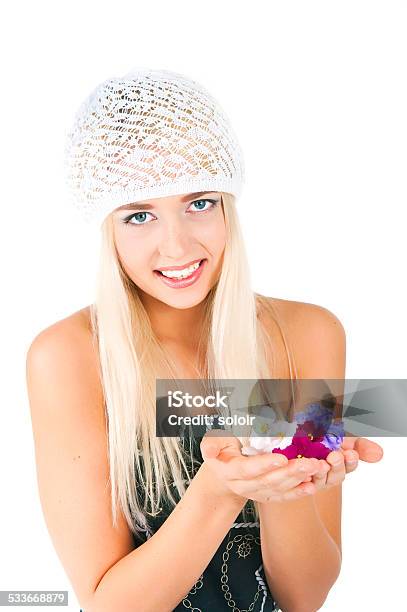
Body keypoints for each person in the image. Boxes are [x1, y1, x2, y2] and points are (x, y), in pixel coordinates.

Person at [26, 67, 383, 612]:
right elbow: (111, 605)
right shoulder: (68, 358)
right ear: (105, 226)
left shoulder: (308, 335)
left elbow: (304, 597)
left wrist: (287, 482)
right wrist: (219, 491)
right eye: (139, 215)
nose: (176, 247)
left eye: (200, 203)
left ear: (229, 206)